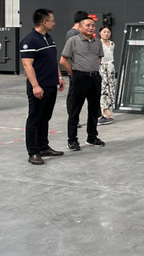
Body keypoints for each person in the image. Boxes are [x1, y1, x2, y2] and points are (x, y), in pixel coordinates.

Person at [20, 9, 65, 165]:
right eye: (52, 21)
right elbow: (27, 65)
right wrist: (35, 86)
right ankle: (33, 152)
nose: (54, 23)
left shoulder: (48, 38)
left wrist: (59, 77)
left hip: (51, 84)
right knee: (35, 119)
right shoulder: (29, 41)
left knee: (45, 117)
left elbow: (52, 59)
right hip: (39, 87)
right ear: (44, 22)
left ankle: (43, 147)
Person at [60, 15, 105, 150]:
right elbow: (63, 60)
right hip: (79, 78)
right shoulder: (73, 41)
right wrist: (73, 74)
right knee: (75, 110)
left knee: (94, 109)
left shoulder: (97, 42)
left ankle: (92, 137)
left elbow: (99, 59)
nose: (91, 28)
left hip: (95, 78)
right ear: (79, 27)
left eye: (93, 25)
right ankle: (72, 140)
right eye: (87, 25)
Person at [65, 10, 90, 128]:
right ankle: (73, 119)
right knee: (74, 95)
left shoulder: (77, 34)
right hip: (76, 70)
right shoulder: (73, 34)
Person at [98, 26, 116, 125]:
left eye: (108, 32)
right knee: (103, 89)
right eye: (104, 32)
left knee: (110, 89)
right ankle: (102, 111)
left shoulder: (112, 44)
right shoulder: (98, 43)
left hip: (110, 68)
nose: (106, 34)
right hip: (102, 67)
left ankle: (108, 109)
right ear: (100, 33)